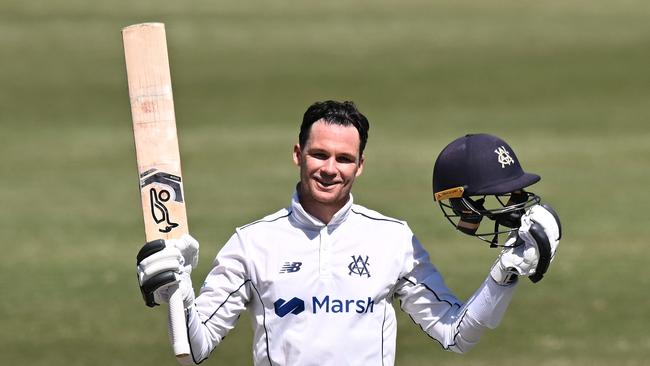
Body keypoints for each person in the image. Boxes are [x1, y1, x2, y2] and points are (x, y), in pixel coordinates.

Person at [136, 100, 561, 365]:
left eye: (344, 158)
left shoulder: (392, 239)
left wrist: (503, 275)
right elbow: (193, 348)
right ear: (298, 154)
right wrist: (177, 290)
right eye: (319, 154)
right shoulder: (252, 243)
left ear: (360, 165)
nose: (329, 169)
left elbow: (455, 335)